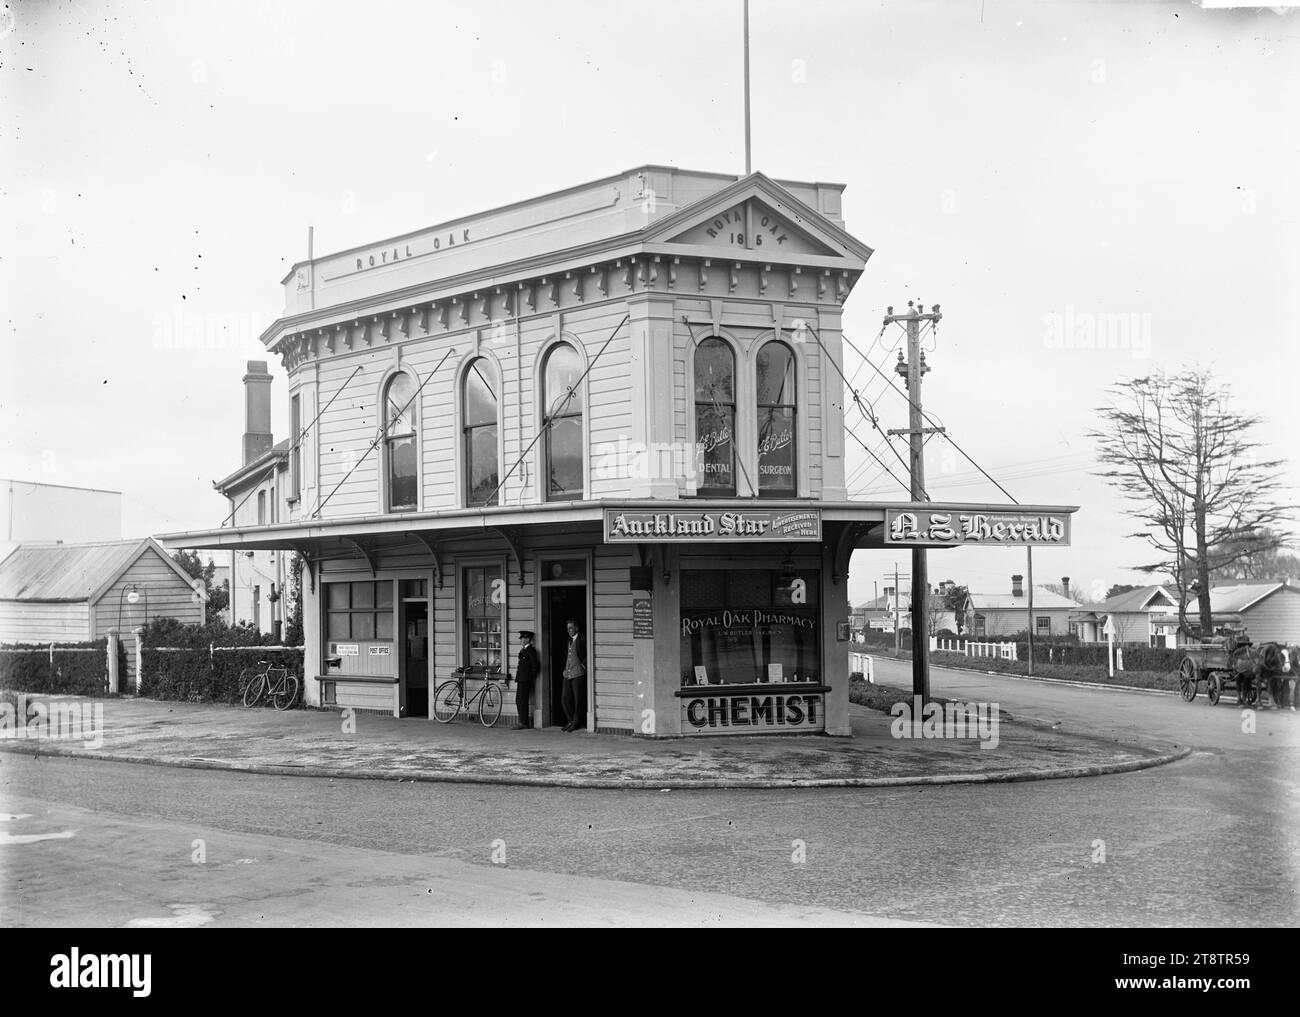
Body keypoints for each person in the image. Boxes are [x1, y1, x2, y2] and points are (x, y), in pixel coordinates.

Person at [561, 617, 587, 732]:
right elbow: (567, 656)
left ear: (576, 628)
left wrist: (583, 665)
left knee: (578, 700)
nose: (569, 630)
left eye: (571, 628)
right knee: (565, 699)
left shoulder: (582, 639)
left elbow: (588, 653)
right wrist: (564, 669)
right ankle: (570, 720)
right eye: (568, 628)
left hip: (578, 674)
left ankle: (576, 722)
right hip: (568, 673)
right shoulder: (568, 640)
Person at [511, 631, 539, 730]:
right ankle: (522, 721)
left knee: (522, 701)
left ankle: (523, 723)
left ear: (528, 639)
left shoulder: (530, 650)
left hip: (525, 680)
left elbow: (535, 666)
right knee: (519, 700)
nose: (521, 640)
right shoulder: (524, 650)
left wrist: (529, 678)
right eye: (521, 638)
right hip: (521, 679)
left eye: (523, 638)